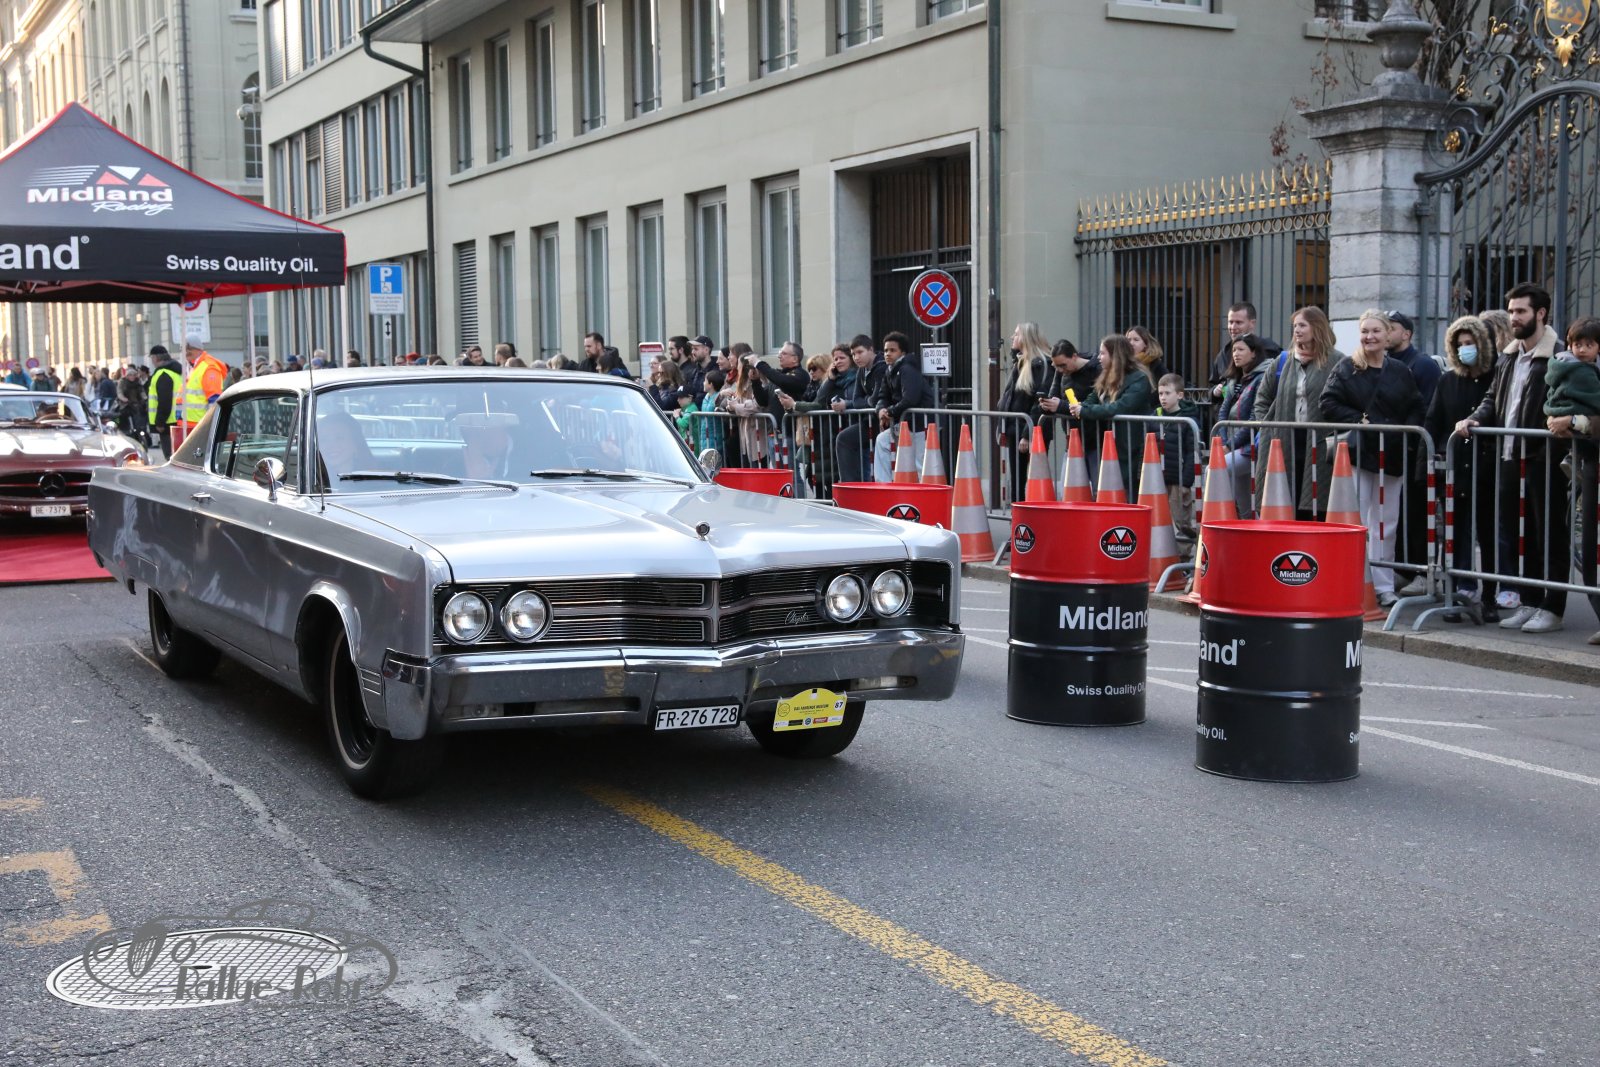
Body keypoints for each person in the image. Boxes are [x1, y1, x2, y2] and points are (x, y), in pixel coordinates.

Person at [1457, 283, 1568, 634]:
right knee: (1522, 534)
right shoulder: (1508, 356)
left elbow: (1564, 403)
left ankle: (1553, 607)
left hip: (1543, 458)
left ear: (1541, 313)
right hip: (1508, 456)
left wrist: (1550, 445)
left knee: (1548, 534)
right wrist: (1475, 418)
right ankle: (1529, 601)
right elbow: (1493, 398)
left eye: (1520, 311)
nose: (1513, 318)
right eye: (1511, 311)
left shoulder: (1558, 356)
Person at [1323, 309, 1426, 609]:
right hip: (1358, 455)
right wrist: (1358, 420)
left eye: (1376, 331)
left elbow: (1416, 405)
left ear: (1387, 334)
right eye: (1365, 331)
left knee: (1385, 524)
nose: (1369, 337)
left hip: (1391, 456)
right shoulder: (1347, 367)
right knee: (1355, 520)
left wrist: (1404, 434)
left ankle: (1383, 585)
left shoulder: (1400, 371)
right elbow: (1327, 402)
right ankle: (1353, 580)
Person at [1426, 315, 1501, 622]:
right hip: (1455, 469)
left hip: (1488, 468)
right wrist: (1428, 464)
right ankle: (1455, 592)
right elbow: (1433, 420)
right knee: (1454, 534)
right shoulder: (1447, 381)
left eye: (1470, 343)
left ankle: (1490, 597)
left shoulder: (1496, 376)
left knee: (1488, 533)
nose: (1464, 349)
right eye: (1459, 344)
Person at [1253, 306, 1342, 519]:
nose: (1297, 330)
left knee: (1316, 498)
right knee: (1285, 495)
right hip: (1285, 438)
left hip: (1321, 440)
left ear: (1317, 327)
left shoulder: (1337, 361)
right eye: (1295, 326)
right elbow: (1262, 398)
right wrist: (1268, 427)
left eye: (1302, 325)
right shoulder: (1284, 360)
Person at [1070, 334, 1152, 496]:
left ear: (1115, 355)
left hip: (1130, 444)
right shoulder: (1106, 376)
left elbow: (1119, 407)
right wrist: (1080, 406)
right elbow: (1093, 398)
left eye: (1102, 353)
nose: (1098, 357)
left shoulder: (1139, 379)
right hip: (1109, 443)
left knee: (1128, 488)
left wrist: (1085, 411)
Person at [1217, 333, 1272, 518]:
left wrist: (1229, 445)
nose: (1236, 354)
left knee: (1215, 470)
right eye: (1234, 350)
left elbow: (1254, 419)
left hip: (1250, 446)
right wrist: (1224, 442)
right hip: (1232, 445)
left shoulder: (1262, 377)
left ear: (1254, 353)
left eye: (1241, 349)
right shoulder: (1234, 379)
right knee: (1245, 503)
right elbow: (1223, 413)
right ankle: (1248, 529)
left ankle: (1221, 521)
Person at [872, 331, 934, 482]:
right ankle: (884, 486)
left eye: (892, 350)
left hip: (920, 423)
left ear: (903, 353)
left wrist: (890, 412)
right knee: (882, 441)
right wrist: (881, 410)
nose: (887, 354)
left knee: (919, 462)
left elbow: (911, 398)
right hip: (906, 423)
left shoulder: (907, 369)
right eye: (885, 350)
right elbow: (882, 396)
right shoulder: (889, 370)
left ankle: (923, 493)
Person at [998, 323, 1051, 500]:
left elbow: (1039, 402)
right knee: (1017, 479)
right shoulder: (1020, 363)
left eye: (1017, 334)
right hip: (1016, 429)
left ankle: (1032, 512)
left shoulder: (1040, 365)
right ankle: (1018, 511)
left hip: (1029, 430)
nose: (1012, 337)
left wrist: (1027, 434)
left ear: (1027, 338)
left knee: (1034, 477)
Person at [1032, 339, 1101, 472]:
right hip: (1072, 438)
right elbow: (1054, 396)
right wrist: (1046, 405)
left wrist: (1059, 406)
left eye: (1063, 365)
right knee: (1069, 481)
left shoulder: (1096, 370)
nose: (1060, 370)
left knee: (1096, 480)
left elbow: (1093, 404)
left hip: (1095, 438)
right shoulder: (1061, 372)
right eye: (1056, 366)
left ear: (1074, 356)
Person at [832, 334, 886, 483]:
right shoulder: (861, 371)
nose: (856, 357)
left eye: (860, 352)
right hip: (869, 421)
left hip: (884, 421)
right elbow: (856, 401)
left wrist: (867, 400)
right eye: (853, 354)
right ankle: (849, 485)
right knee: (844, 439)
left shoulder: (881, 367)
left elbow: (875, 399)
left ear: (871, 350)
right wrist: (868, 400)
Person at [1156, 372, 1200, 542]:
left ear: (1180, 395)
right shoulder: (1156, 416)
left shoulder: (1188, 420)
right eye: (1160, 393)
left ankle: (1184, 553)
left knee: (1181, 520)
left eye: (1167, 393)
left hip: (1178, 479)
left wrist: (1186, 481)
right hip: (1159, 476)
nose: (1163, 397)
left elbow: (1192, 453)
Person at [1209, 301, 1283, 394]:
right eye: (1230, 322)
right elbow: (1212, 386)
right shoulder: (1223, 355)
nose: (1233, 327)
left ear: (1252, 323)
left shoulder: (1270, 349)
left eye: (1238, 322)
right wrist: (1215, 392)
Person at [316, 411, 377, 486]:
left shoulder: (375, 480)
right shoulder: (311, 481)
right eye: (324, 439)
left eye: (339, 438)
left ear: (355, 443)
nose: (331, 445)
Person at [180, 342, 229, 429]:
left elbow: (214, 400)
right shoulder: (194, 367)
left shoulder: (209, 367)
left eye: (190, 349)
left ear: (199, 349)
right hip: (190, 424)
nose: (187, 352)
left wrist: (211, 425)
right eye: (184, 349)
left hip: (200, 426)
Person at [146, 345, 184, 459]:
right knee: (177, 456)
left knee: (170, 457)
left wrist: (160, 422)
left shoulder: (163, 374)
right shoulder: (176, 372)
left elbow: (164, 400)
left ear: (156, 358)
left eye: (152, 358)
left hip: (167, 423)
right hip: (177, 419)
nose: (152, 361)